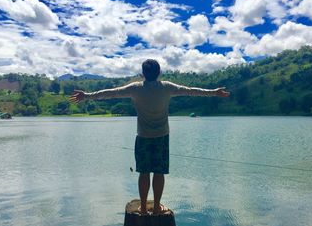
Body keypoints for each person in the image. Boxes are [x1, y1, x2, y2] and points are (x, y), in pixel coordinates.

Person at [69, 59, 230, 215]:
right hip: (162, 137)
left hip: (143, 137)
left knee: (144, 172)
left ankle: (144, 208)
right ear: (159, 73)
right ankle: (157, 208)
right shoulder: (167, 87)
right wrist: (213, 93)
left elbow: (111, 93)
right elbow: (190, 90)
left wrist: (87, 95)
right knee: (159, 172)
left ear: (143, 74)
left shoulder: (135, 88)